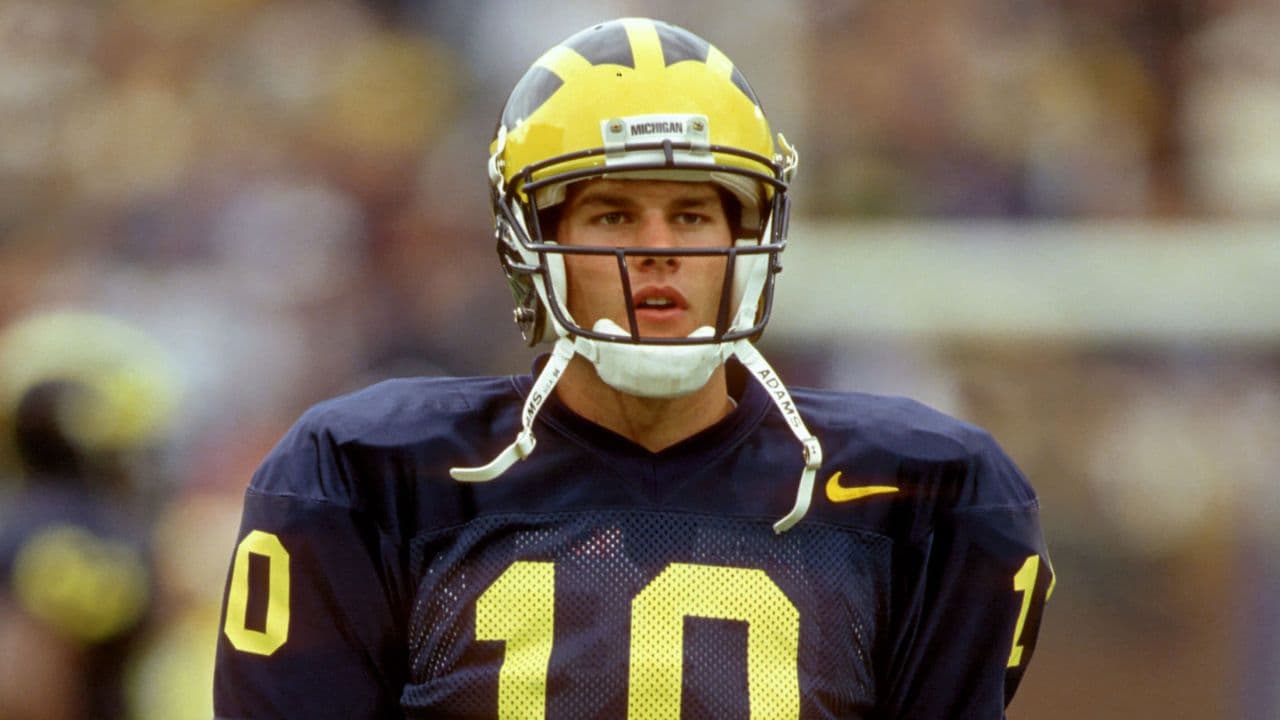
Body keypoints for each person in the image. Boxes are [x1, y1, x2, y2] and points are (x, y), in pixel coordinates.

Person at [213, 17, 1053, 719]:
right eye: (613, 214)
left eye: (691, 215)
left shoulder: (922, 496)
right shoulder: (378, 477)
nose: (657, 250)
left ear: (745, 243)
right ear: (529, 244)